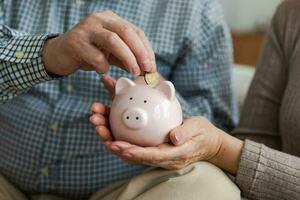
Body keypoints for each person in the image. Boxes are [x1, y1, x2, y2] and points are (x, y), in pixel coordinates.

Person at [0, 0, 238, 199]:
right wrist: (47, 55)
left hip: (123, 190)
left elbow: (216, 123)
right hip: (6, 179)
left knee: (211, 187)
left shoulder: (196, 8)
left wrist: (160, 105)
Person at [91, 0, 300, 199]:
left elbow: (227, 144)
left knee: (209, 184)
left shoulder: (198, 9)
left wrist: (219, 147)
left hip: (149, 182)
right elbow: (253, 141)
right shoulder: (291, 15)